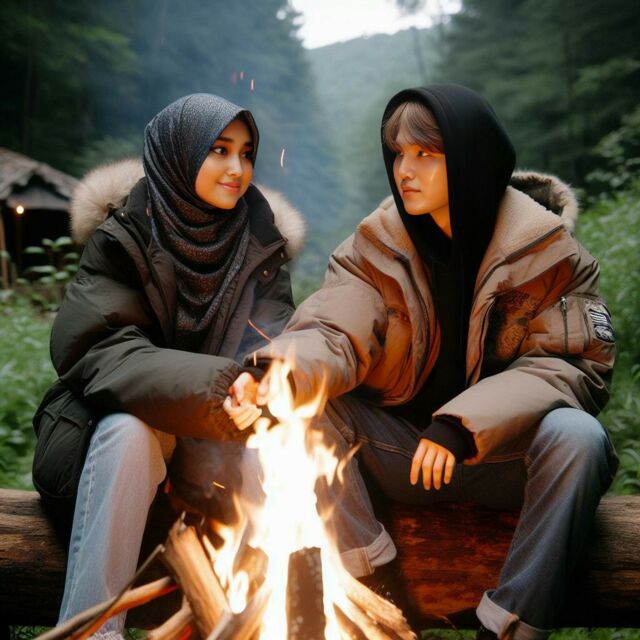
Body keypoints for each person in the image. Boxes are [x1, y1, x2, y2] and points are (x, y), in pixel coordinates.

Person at [229, 84, 618, 639]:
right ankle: (376, 594)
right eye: (398, 153)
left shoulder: (551, 253)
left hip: (505, 459)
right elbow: (334, 330)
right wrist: (275, 374)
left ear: (471, 160)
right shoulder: (375, 247)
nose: (404, 170)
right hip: (404, 455)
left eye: (425, 154)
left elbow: (572, 368)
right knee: (307, 409)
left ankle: (509, 626)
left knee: (579, 436)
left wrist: (461, 425)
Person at [31, 93, 308, 636]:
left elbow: (272, 340)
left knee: (282, 437)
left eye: (246, 153)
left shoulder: (260, 243)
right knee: (130, 431)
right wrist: (219, 385)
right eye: (219, 150)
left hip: (219, 443)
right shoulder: (124, 236)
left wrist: (258, 384)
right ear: (178, 153)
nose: (237, 168)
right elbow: (99, 347)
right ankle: (93, 632)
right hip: (117, 437)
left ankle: (267, 624)